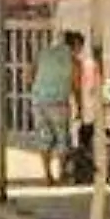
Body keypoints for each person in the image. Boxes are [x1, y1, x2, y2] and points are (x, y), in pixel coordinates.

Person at [30, 32, 79, 186]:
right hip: (59, 103)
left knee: (45, 138)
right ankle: (61, 174)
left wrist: (40, 89)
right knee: (62, 139)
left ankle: (47, 175)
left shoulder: (42, 53)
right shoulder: (73, 60)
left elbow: (29, 76)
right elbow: (75, 85)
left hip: (39, 102)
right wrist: (80, 105)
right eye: (80, 47)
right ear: (76, 44)